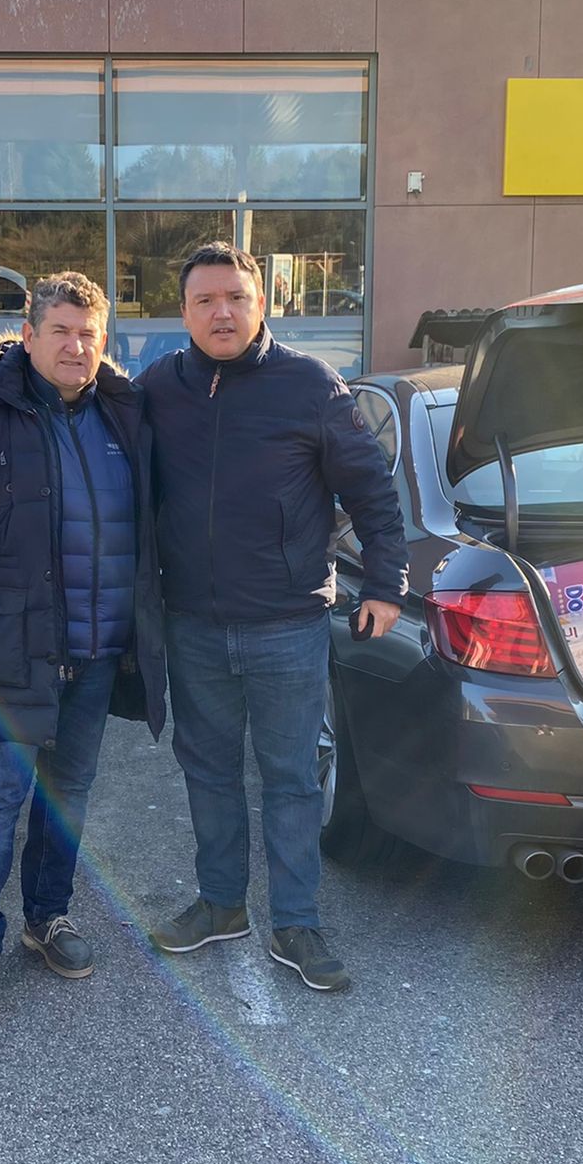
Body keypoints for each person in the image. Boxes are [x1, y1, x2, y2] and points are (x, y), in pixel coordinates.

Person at [140, 242, 407, 993]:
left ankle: (296, 921)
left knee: (290, 779)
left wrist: (386, 584)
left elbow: (373, 495)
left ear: (263, 304)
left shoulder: (310, 386)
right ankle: (222, 904)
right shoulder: (159, 388)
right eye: (204, 300)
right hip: (191, 622)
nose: (221, 311)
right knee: (209, 773)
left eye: (235, 297)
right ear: (184, 311)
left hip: (288, 624)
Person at [0, 272, 166, 1026]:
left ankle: (46, 916)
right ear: (28, 336)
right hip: (6, 652)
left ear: (103, 341)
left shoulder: (123, 412)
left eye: (89, 334)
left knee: (69, 796)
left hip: (96, 650)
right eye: (61, 332)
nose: (76, 346)